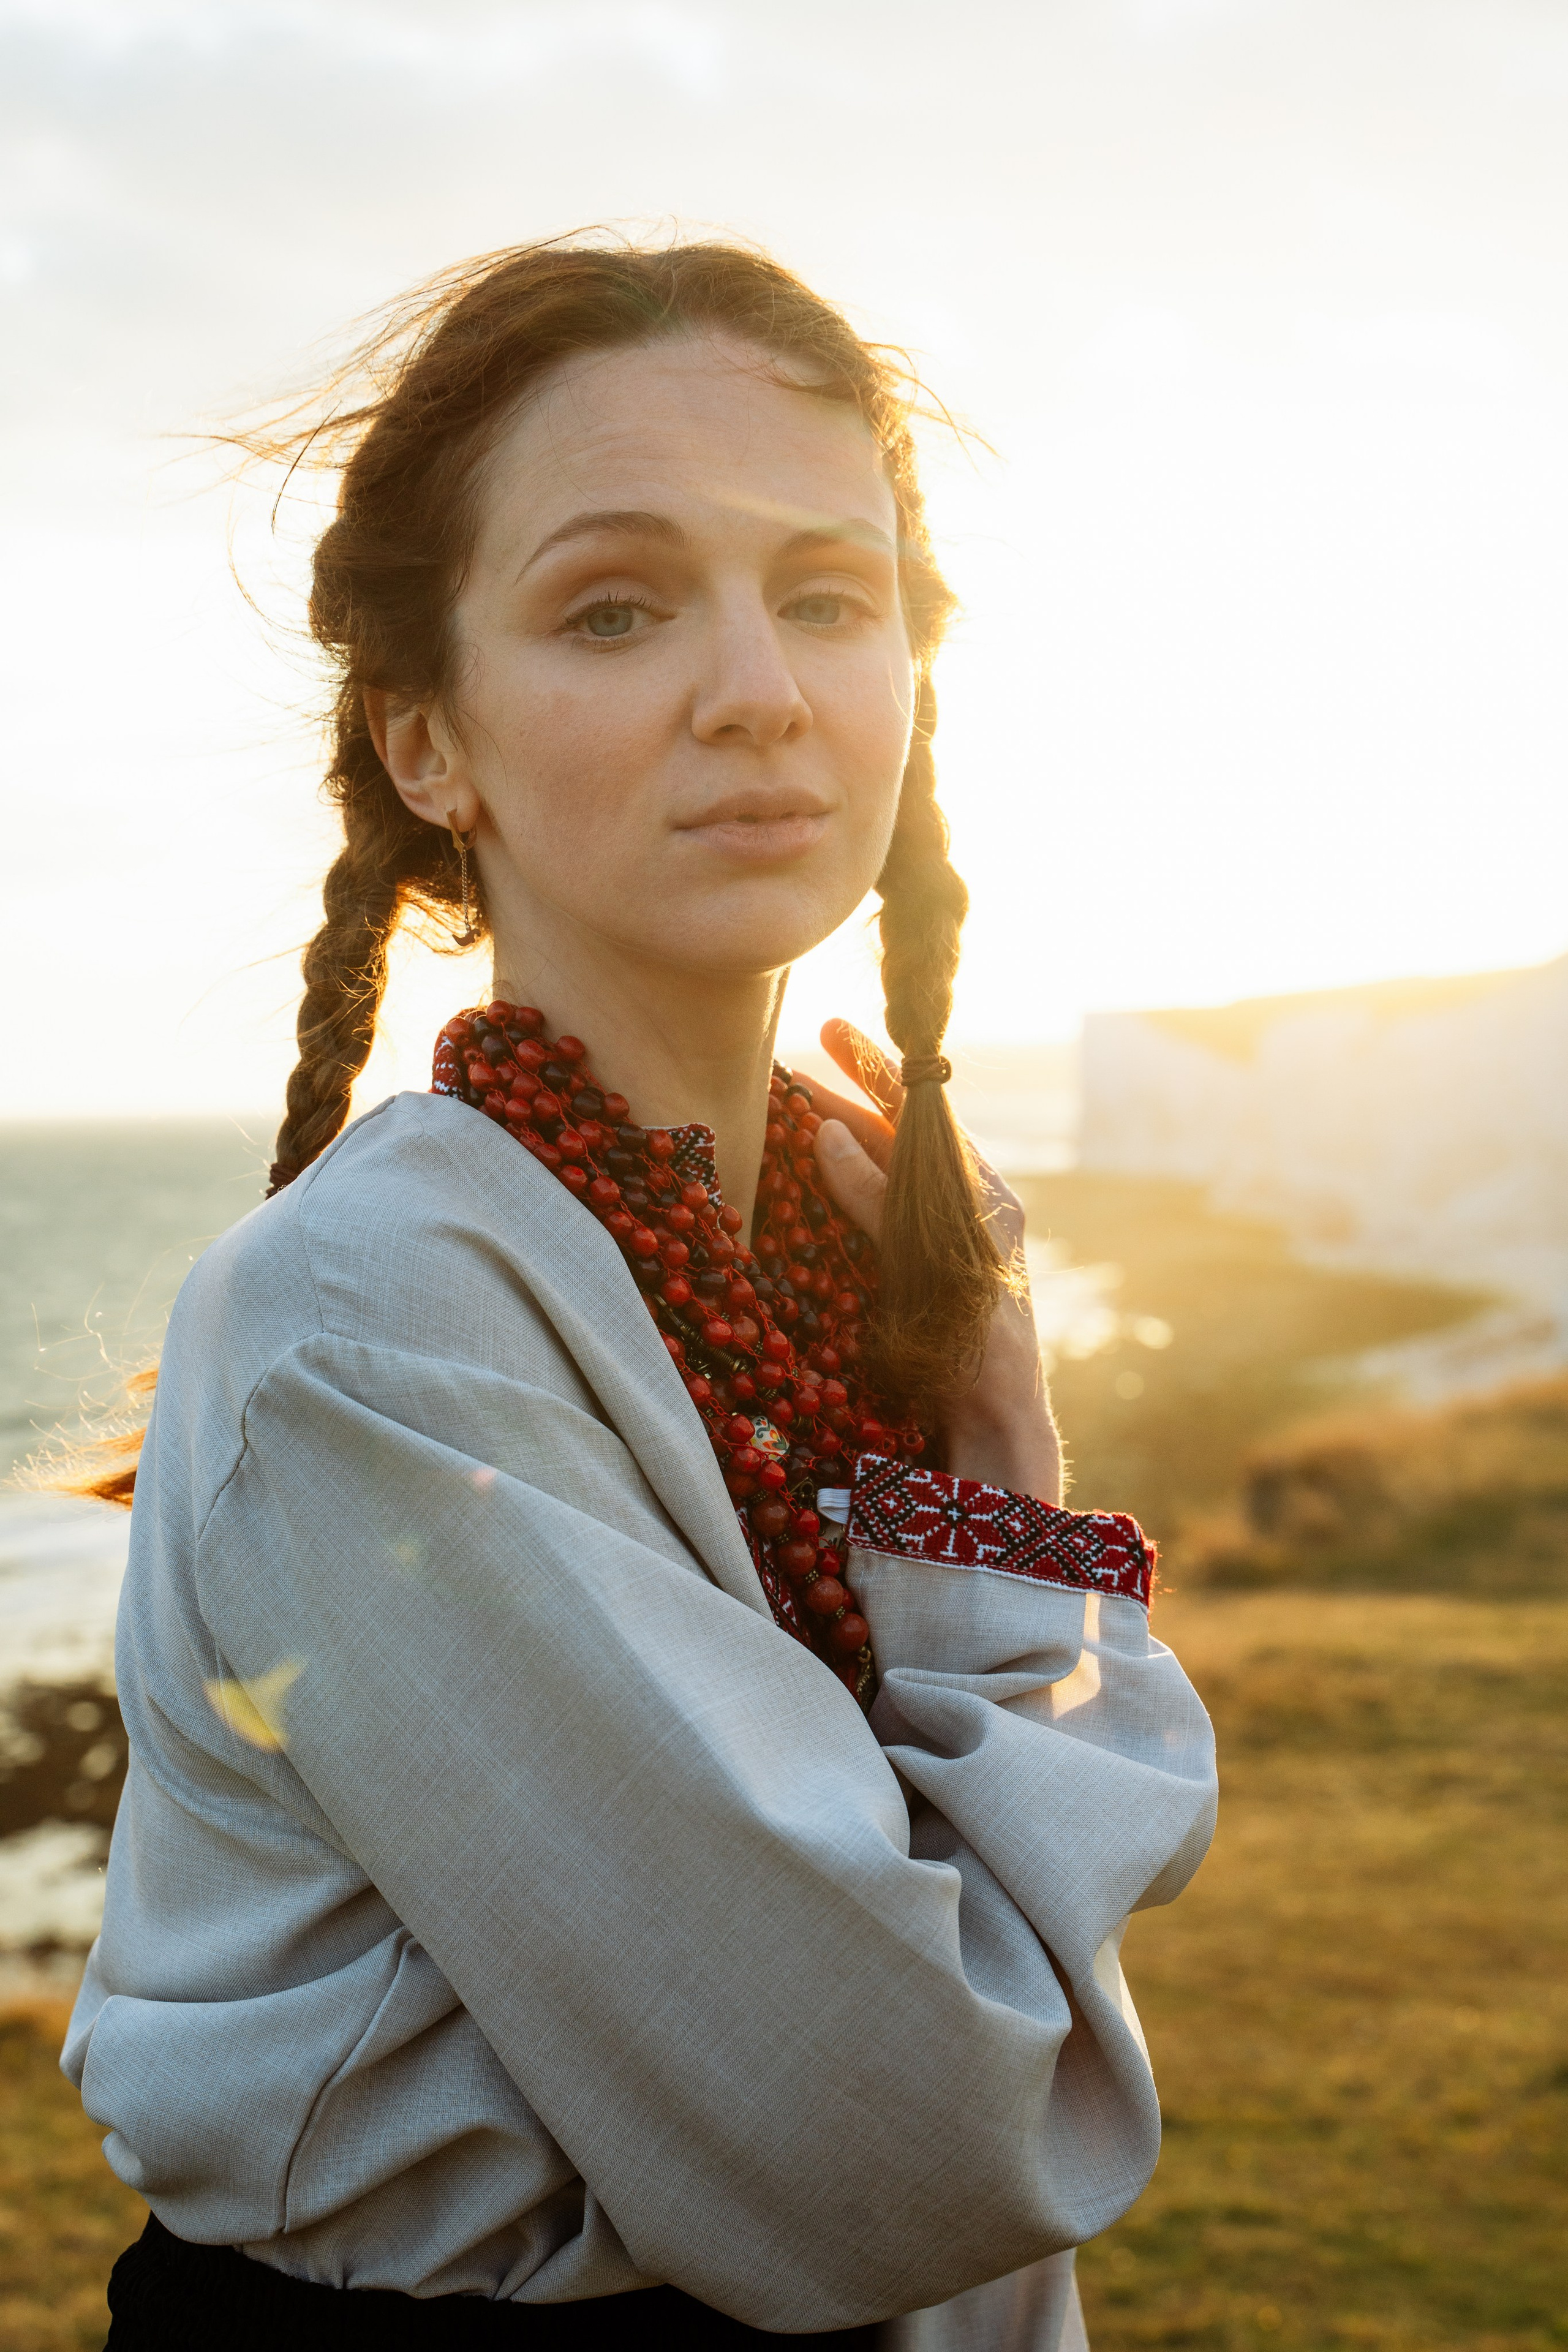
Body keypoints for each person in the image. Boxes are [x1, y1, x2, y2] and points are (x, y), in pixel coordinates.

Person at [65, 239, 1217, 2351]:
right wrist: (1009, 1513)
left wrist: (972, 1445)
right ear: (431, 740)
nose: (760, 687)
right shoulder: (374, 1315)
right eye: (615, 606)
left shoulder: (846, 1248)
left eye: (828, 593)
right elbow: (919, 2134)